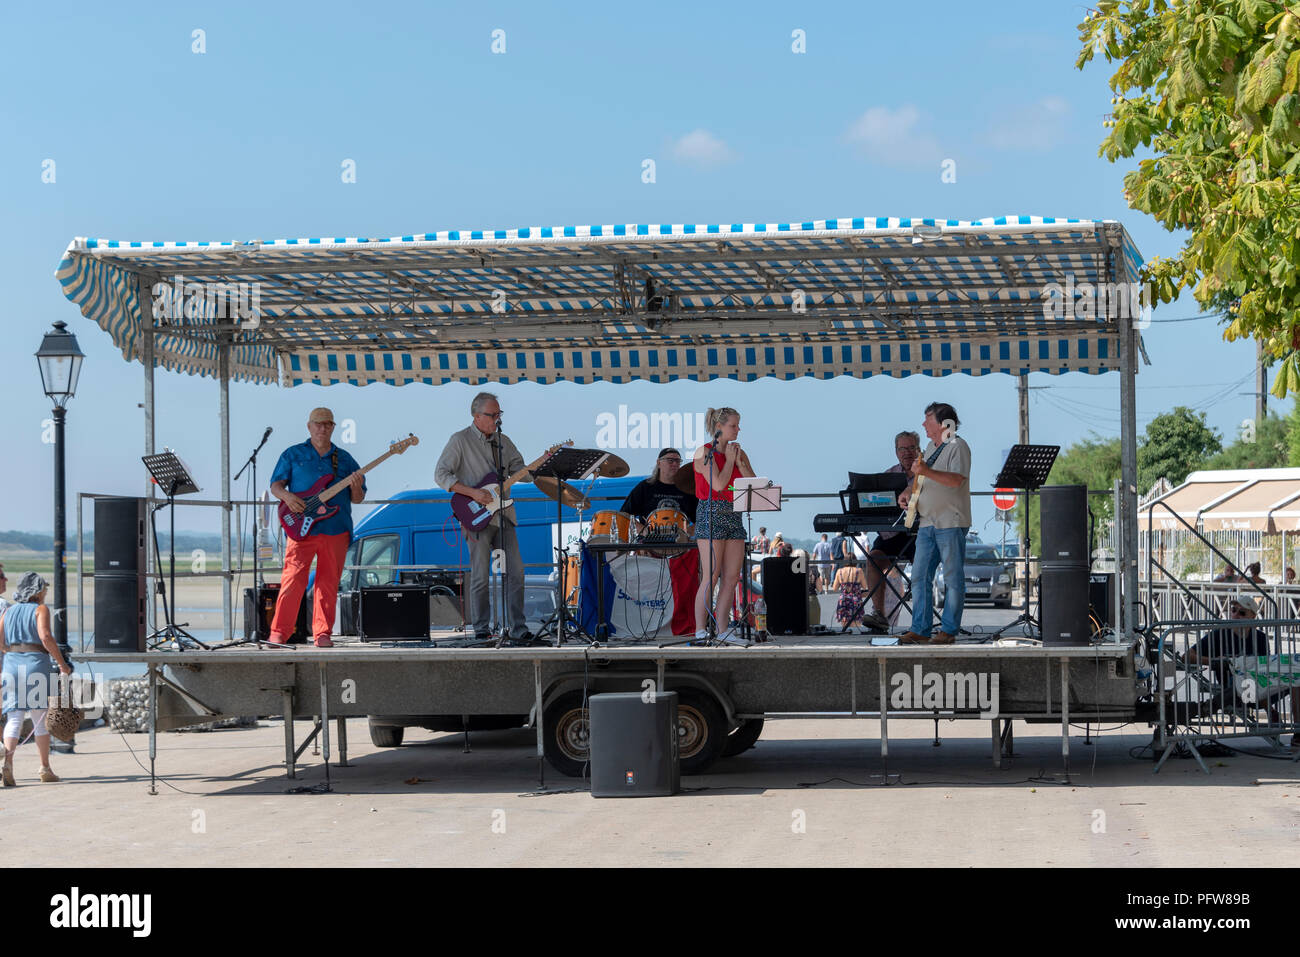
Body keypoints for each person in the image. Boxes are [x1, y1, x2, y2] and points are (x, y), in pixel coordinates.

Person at [436, 392, 534, 644]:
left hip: (505, 516)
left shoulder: (504, 441)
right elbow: (441, 474)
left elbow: (519, 471)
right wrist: (473, 493)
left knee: (516, 572)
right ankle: (481, 628)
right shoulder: (460, 440)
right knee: (480, 575)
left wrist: (536, 469)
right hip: (475, 517)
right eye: (492, 415)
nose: (497, 419)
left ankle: (518, 628)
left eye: (499, 414)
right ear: (476, 416)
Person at [268, 408, 366, 647]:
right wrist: (288, 497)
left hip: (336, 527)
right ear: (309, 426)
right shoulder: (293, 454)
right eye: (318, 424)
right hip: (302, 529)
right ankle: (279, 632)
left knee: (328, 582)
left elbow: (358, 498)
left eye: (327, 424)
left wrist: (356, 485)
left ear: (333, 427)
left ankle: (323, 633)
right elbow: (276, 485)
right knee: (293, 578)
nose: (323, 428)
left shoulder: (345, 459)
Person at [898, 402, 971, 645]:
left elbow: (956, 480)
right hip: (928, 522)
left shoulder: (957, 446)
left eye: (928, 420)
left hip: (951, 521)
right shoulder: (930, 447)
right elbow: (920, 478)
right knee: (918, 577)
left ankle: (948, 630)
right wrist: (909, 491)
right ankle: (920, 627)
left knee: (952, 578)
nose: (924, 425)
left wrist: (925, 471)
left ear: (942, 424)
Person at [0, 573, 73, 786]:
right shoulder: (40, 609)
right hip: (35, 664)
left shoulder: (10, 610)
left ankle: (8, 763)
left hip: (11, 665)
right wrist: (61, 664)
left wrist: (10, 651)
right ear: (37, 590)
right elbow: (45, 637)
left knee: (14, 717)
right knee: (39, 717)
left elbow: (0, 638)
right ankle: (45, 767)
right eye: (44, 589)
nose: (46, 592)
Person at [618, 448, 699, 637]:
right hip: (649, 546)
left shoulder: (688, 490)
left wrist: (688, 534)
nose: (675, 464)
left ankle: (686, 623)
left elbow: (701, 520)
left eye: (678, 461)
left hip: (680, 548)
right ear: (658, 462)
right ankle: (644, 624)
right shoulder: (645, 487)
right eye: (670, 460)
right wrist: (644, 531)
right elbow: (625, 514)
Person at [692, 406, 755, 642]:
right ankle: (700, 628)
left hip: (734, 514)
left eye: (738, 425)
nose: (738, 429)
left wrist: (740, 462)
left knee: (731, 577)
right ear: (719, 427)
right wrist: (729, 461)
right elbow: (718, 484)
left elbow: (753, 483)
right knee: (711, 575)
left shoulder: (738, 451)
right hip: (711, 513)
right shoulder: (703, 452)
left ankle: (722, 629)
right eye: (733, 425)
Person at [863, 430, 922, 630]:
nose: (907, 453)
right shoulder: (887, 475)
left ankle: (922, 619)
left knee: (923, 566)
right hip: (891, 534)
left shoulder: (926, 473)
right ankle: (879, 614)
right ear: (896, 452)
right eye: (902, 449)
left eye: (911, 448)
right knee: (873, 559)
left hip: (919, 534)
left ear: (919, 449)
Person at [834, 557, 869, 627]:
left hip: (843, 600)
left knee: (845, 626)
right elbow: (864, 586)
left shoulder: (839, 571)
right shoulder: (859, 571)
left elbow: (835, 588)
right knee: (857, 625)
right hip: (856, 599)